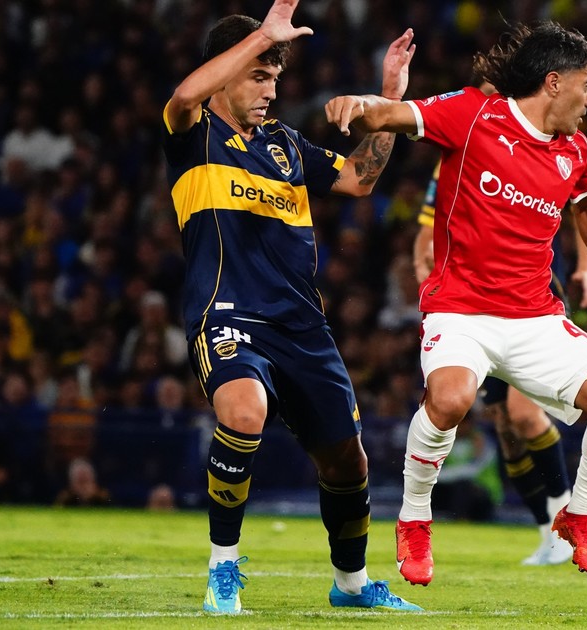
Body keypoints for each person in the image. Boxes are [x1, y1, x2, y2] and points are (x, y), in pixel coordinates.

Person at [327, 21, 587, 583]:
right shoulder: (475, 114)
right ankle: (414, 519)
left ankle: (578, 515)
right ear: (554, 82)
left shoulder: (574, 150)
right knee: (450, 401)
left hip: (535, 318)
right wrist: (364, 102)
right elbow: (389, 117)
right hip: (461, 312)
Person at [162, 0, 420, 614]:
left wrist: (389, 98)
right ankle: (222, 568)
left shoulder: (284, 144)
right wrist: (260, 37)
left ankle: (351, 585)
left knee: (347, 460)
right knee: (244, 411)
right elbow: (181, 97)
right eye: (259, 75)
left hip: (303, 326)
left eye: (276, 77)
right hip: (227, 313)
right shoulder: (195, 133)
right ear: (227, 69)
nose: (271, 91)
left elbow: (359, 178)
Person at [413, 90, 587, 563]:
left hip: (529, 298)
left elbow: (585, 204)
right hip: (470, 306)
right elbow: (426, 231)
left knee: (523, 413)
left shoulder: (552, 144)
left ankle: (564, 522)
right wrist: (428, 277)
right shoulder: (460, 149)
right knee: (506, 425)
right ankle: (547, 534)